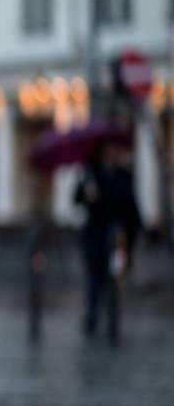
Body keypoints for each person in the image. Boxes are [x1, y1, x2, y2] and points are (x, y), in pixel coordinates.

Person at [73, 141, 141, 337]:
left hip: (117, 238)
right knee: (94, 276)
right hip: (95, 237)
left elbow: (131, 207)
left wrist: (136, 231)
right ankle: (93, 313)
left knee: (113, 277)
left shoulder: (123, 176)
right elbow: (76, 199)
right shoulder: (90, 175)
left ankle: (111, 313)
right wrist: (87, 195)